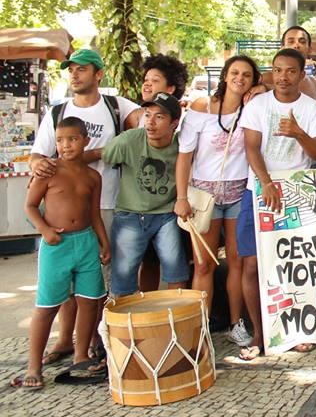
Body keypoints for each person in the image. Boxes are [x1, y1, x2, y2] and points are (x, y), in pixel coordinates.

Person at [28, 48, 138, 365]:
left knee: (96, 281)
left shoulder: (117, 107)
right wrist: (40, 167)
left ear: (98, 74)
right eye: (71, 70)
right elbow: (39, 154)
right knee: (62, 283)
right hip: (62, 213)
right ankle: (66, 339)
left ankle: (91, 343)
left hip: (107, 203)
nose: (75, 75)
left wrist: (103, 152)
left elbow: (146, 125)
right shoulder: (57, 112)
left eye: (82, 69)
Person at [237, 48, 316, 359]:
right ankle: (260, 334)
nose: (283, 77)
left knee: (297, 264)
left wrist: (299, 133)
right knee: (252, 264)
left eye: (290, 71)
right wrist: (265, 182)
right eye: (277, 70)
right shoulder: (257, 105)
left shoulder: (313, 108)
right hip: (258, 192)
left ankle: (299, 329)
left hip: (296, 193)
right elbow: (251, 148)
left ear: (302, 75)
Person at [11, 118, 110, 389]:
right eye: (60, 140)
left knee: (90, 300)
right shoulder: (49, 171)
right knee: (48, 304)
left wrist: (104, 242)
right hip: (57, 245)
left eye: (73, 139)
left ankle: (81, 355)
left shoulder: (93, 176)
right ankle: (34, 365)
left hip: (87, 242)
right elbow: (30, 206)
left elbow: (94, 213)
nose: (66, 145)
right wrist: (45, 230)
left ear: (86, 141)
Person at [175, 56, 261, 347]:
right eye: (235, 73)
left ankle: (237, 323)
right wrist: (181, 197)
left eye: (247, 75)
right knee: (203, 265)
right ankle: (201, 327)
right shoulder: (202, 108)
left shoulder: (253, 108)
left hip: (238, 192)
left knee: (236, 261)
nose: (240, 78)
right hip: (204, 193)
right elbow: (185, 155)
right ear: (225, 76)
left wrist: (259, 93)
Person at [95, 92, 188, 298]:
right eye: (147, 114)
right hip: (130, 214)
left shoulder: (182, 146)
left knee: (176, 274)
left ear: (174, 123)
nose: (150, 122)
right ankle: (127, 327)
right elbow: (105, 156)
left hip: (166, 215)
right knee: (123, 278)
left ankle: (176, 324)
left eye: (159, 117)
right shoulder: (129, 140)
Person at [248, 25, 316, 100]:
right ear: (282, 48)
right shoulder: (265, 79)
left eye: (302, 42)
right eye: (291, 42)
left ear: (309, 49)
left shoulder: (315, 84)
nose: (296, 45)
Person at [127, 53, 189, 127]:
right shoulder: (136, 116)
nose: (147, 84)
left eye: (155, 80)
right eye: (146, 80)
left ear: (170, 89)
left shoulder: (183, 122)